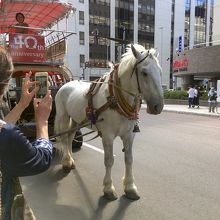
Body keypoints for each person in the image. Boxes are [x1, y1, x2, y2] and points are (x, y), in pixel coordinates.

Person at [0, 47, 53, 219]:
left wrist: (22, 104)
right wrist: (42, 122)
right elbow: (42, 158)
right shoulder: (8, 136)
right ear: (6, 83)